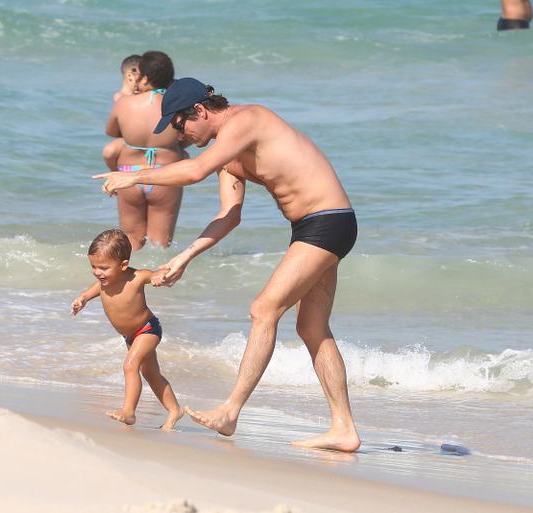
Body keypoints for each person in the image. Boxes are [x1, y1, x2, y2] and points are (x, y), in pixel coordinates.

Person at [94, 78, 361, 452]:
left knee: (263, 309)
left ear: (200, 111)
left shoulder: (248, 120)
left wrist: (133, 175)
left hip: (328, 221)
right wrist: (184, 256)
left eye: (180, 124)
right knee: (312, 327)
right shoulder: (227, 155)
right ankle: (344, 429)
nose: (179, 135)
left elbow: (192, 172)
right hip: (312, 226)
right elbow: (228, 216)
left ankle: (230, 411)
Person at [70, 228, 184, 431]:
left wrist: (160, 277)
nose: (97, 272)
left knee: (130, 366)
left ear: (123, 265)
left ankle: (129, 412)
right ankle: (175, 410)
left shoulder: (136, 277)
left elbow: (154, 275)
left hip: (147, 329)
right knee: (151, 374)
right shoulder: (105, 280)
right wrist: (83, 298)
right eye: (93, 266)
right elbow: (97, 288)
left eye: (103, 268)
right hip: (130, 335)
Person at [103, 51, 187, 250]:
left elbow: (112, 132)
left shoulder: (124, 104)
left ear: (145, 78)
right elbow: (189, 135)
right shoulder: (178, 105)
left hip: (129, 174)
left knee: (131, 242)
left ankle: (131, 280)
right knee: (160, 245)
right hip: (165, 175)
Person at [102, 55, 142, 172]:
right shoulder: (120, 97)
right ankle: (114, 172)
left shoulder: (136, 95)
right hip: (125, 139)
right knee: (109, 151)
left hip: (141, 138)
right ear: (130, 76)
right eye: (143, 76)